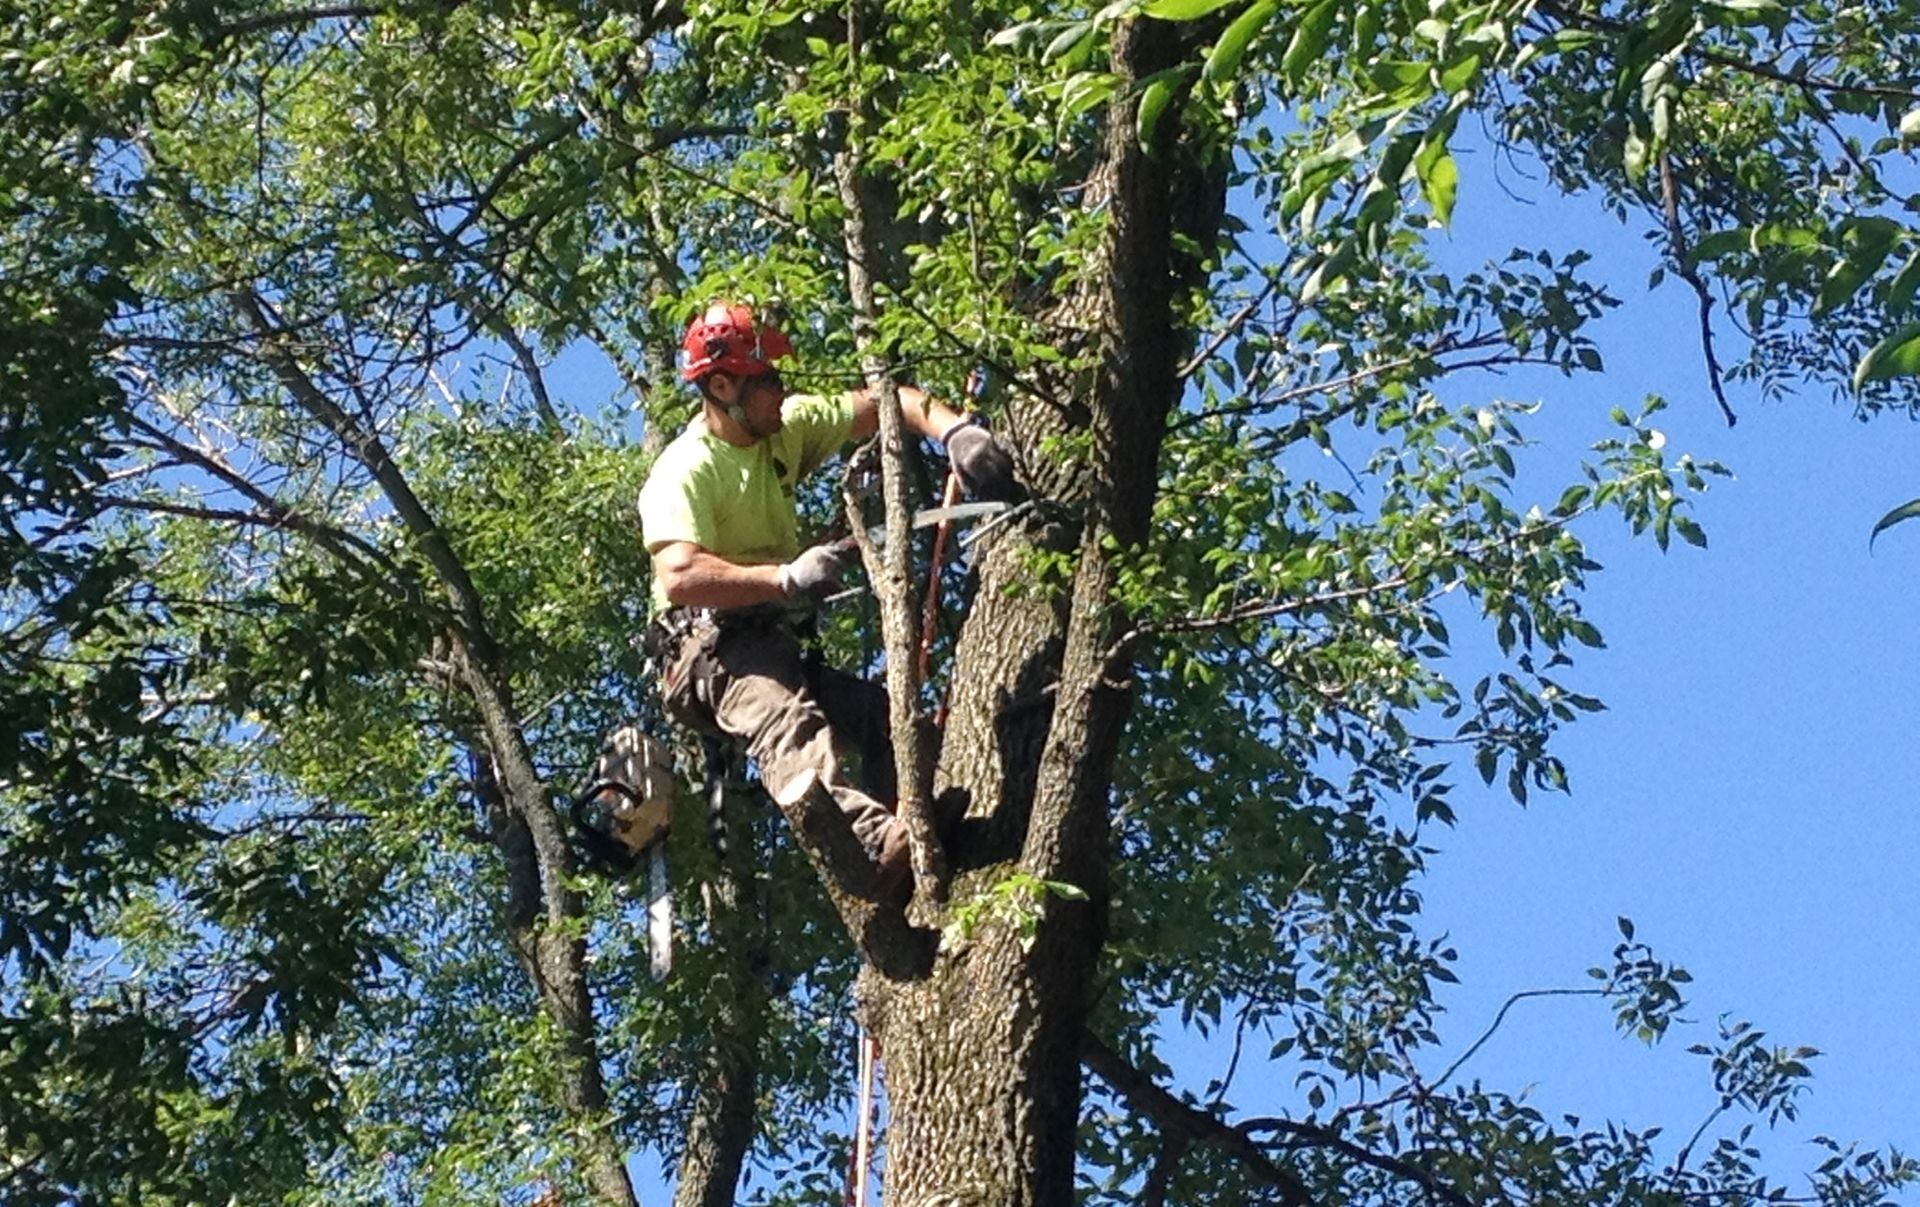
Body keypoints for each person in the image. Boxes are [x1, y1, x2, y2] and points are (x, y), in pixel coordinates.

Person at [637, 301, 1016, 901]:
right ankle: (868, 844)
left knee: (889, 718)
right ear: (720, 384)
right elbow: (680, 574)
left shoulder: (783, 427)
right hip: (706, 651)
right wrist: (784, 579)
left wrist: (955, 433)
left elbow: (888, 403)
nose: (780, 392)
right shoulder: (685, 469)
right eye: (767, 381)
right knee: (788, 724)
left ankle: (906, 843)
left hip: (769, 640)